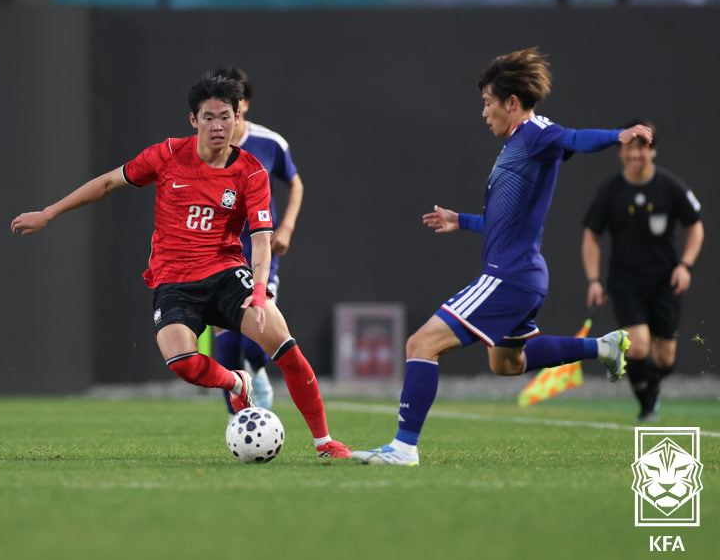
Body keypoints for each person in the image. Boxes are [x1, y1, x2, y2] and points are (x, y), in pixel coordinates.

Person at [11, 73, 351, 459]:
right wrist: (49, 213)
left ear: (238, 118)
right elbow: (107, 183)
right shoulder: (167, 154)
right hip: (173, 280)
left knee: (283, 343)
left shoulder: (252, 171)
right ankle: (237, 383)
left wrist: (258, 293)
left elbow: (260, 240)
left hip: (226, 274)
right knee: (182, 362)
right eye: (208, 117)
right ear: (194, 120)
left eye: (226, 116)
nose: (218, 125)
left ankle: (325, 442)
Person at [352, 48, 653, 466]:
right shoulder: (519, 144)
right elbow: (504, 220)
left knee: (420, 343)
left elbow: (574, 138)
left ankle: (403, 448)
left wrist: (616, 136)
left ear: (511, 103)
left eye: (487, 103)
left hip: (508, 276)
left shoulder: (536, 134)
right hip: (526, 274)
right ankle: (602, 348)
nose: (484, 112)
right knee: (509, 363)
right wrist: (462, 220)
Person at [582, 119, 704, 422]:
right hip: (625, 283)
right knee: (637, 347)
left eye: (642, 149)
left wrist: (685, 266)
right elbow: (591, 237)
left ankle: (650, 391)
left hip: (665, 282)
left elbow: (696, 227)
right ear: (620, 152)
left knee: (665, 358)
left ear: (653, 151)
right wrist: (594, 280)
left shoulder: (670, 186)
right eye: (628, 149)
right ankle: (648, 407)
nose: (635, 155)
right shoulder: (609, 191)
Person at [209, 67, 304, 412]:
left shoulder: (269, 143)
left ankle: (260, 375)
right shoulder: (202, 148)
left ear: (243, 105)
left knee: (254, 340)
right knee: (228, 347)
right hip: (217, 257)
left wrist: (287, 226)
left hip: (260, 253)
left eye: (230, 104)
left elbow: (295, 182)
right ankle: (239, 422)